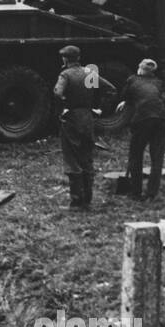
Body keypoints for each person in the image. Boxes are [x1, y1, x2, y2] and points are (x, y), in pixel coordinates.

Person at [53, 45, 114, 210]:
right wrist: (100, 109)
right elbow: (110, 90)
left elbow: (58, 93)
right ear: (78, 58)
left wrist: (63, 109)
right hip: (87, 118)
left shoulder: (65, 74)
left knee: (72, 160)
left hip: (71, 118)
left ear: (65, 59)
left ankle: (76, 201)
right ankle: (87, 199)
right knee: (86, 158)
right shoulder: (89, 73)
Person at [119, 58, 165, 200]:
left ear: (140, 69)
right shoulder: (158, 82)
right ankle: (152, 193)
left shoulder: (132, 80)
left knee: (136, 155)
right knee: (157, 158)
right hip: (161, 119)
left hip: (142, 119)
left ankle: (136, 192)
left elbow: (126, 95)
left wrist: (126, 101)